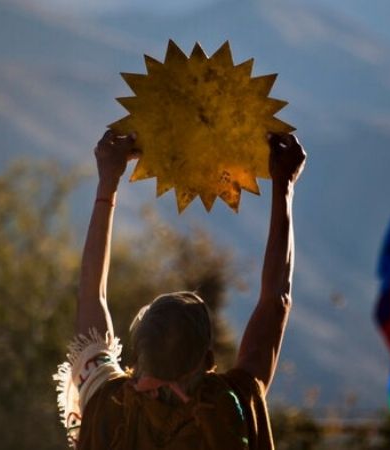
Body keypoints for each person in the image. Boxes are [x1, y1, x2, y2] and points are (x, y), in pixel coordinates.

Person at [54, 129, 307, 450]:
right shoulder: (230, 410)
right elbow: (276, 301)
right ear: (209, 359)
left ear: (138, 355)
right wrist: (284, 187)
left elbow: (91, 295)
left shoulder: (109, 406)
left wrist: (108, 181)